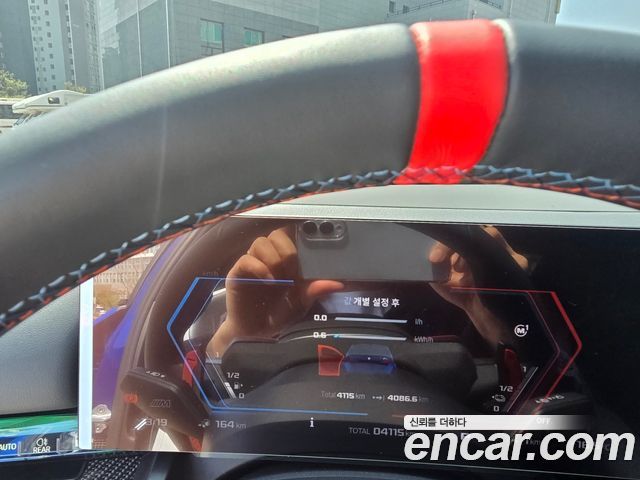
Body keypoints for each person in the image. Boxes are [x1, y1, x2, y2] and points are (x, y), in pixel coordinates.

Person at [207, 224, 528, 357]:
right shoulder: (263, 287)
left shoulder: (462, 280)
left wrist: (495, 313)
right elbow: (194, 421)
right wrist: (238, 335)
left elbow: (535, 413)